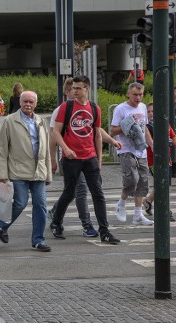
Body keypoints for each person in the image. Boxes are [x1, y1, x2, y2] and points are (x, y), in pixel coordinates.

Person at [49, 75, 120, 244]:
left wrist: (99, 159)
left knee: (98, 193)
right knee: (69, 192)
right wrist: (65, 149)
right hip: (71, 159)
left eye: (78, 88)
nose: (75, 91)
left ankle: (104, 231)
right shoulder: (66, 107)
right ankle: (56, 222)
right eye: (73, 88)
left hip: (89, 158)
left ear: (87, 89)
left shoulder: (95, 108)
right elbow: (55, 132)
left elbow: (97, 135)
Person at [0, 91, 52, 251]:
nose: (28, 104)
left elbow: (46, 149)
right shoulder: (10, 121)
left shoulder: (41, 121)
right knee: (20, 203)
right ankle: (2, 224)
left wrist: (48, 174)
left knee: (40, 205)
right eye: (25, 101)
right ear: (20, 102)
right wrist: (2, 175)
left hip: (38, 171)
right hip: (18, 170)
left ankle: (38, 240)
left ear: (36, 104)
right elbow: (1, 149)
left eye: (31, 102)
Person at [110, 83, 155, 225]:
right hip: (126, 148)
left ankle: (137, 215)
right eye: (135, 94)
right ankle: (121, 204)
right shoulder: (121, 109)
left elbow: (144, 128)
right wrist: (126, 125)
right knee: (132, 180)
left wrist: (151, 144)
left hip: (141, 149)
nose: (138, 97)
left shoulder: (142, 107)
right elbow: (112, 130)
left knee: (142, 182)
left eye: (140, 94)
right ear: (128, 94)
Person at [143, 102, 176, 221]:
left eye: (153, 111)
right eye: (148, 111)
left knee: (163, 184)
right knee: (163, 184)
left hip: (167, 159)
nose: (151, 114)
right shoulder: (145, 126)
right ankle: (165, 210)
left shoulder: (165, 124)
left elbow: (174, 139)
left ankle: (148, 200)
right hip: (153, 160)